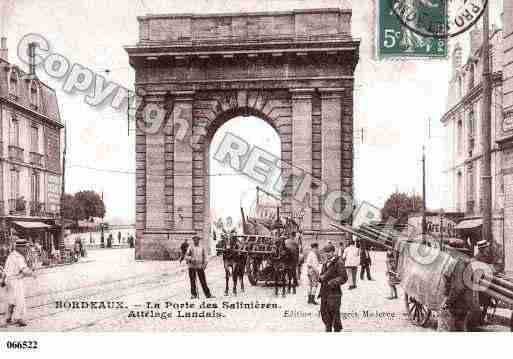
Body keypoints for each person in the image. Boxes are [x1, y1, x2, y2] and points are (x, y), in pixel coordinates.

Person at [3, 239, 36, 326]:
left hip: (8, 280)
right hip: (15, 281)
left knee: (12, 299)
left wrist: (3, 280)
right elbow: (24, 270)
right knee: (20, 300)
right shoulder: (19, 257)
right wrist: (32, 273)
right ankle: (18, 318)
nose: (25, 249)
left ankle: (8, 317)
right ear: (19, 247)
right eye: (24, 247)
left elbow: (5, 269)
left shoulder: (11, 255)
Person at [318, 243, 348, 332]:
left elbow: (344, 277)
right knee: (324, 314)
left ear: (333, 252)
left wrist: (333, 282)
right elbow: (322, 274)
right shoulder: (325, 262)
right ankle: (328, 328)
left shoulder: (339, 262)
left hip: (334, 294)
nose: (327, 254)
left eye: (329, 252)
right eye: (325, 252)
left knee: (334, 315)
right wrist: (320, 277)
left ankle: (336, 330)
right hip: (325, 293)